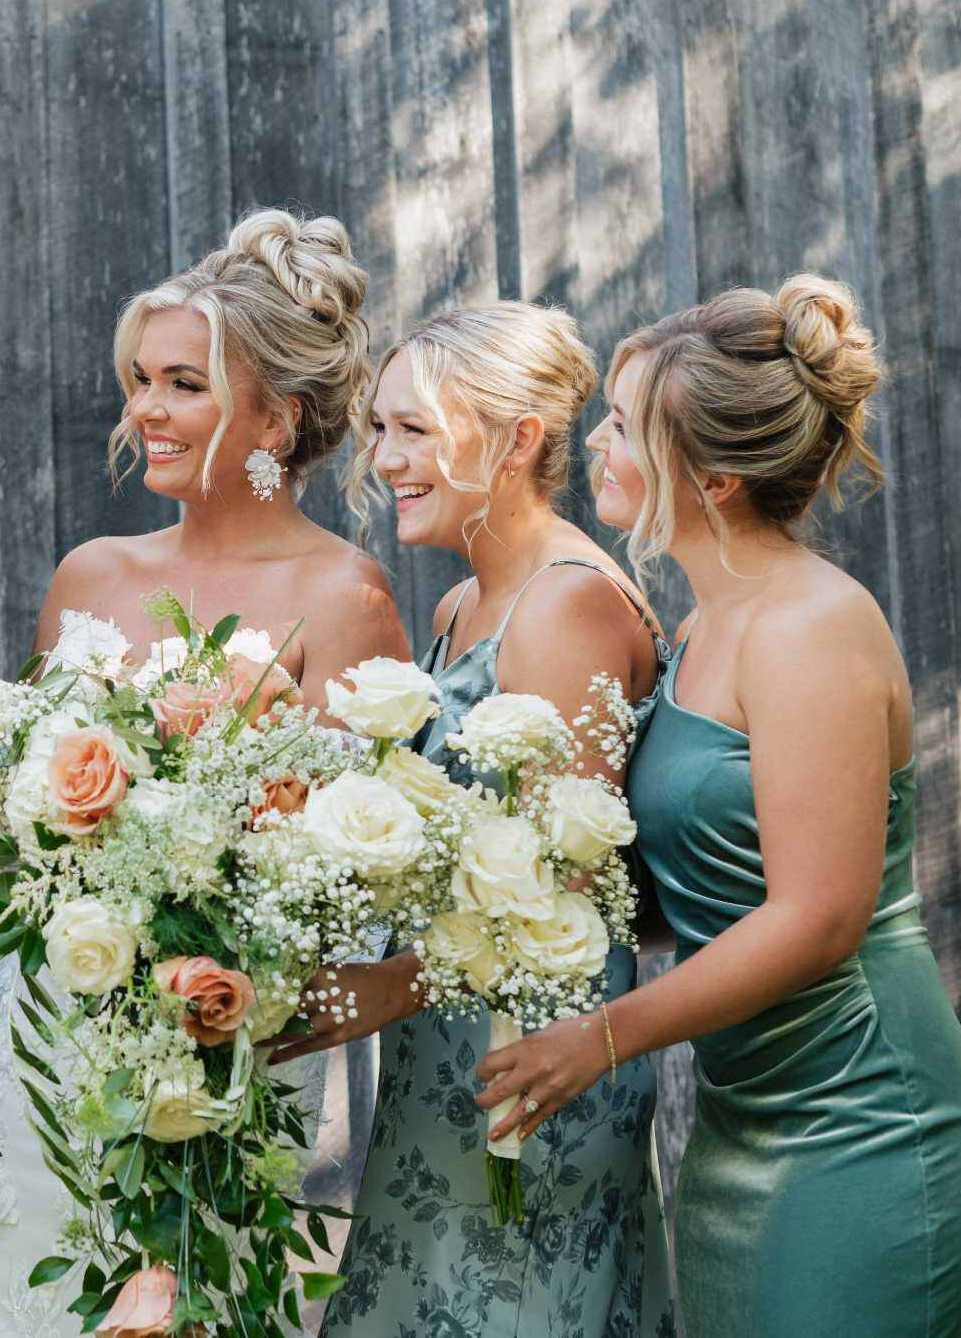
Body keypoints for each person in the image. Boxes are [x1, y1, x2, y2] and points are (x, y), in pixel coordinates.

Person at [479, 275, 961, 1336]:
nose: (597, 446)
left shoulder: (811, 625)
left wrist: (603, 1033)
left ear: (715, 473)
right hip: (738, 1125)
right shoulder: (697, 628)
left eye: (627, 428)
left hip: (868, 1123)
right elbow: (693, 877)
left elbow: (817, 916)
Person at [0, 209, 409, 1335]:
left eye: (182, 384)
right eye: (138, 381)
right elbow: (22, 820)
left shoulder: (345, 596)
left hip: (237, 1040)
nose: (144, 411)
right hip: (57, 1028)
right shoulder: (90, 576)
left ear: (276, 413)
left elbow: (360, 863)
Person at [278, 303, 677, 1337]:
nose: (385, 456)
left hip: (530, 1070)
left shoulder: (567, 605)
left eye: (415, 428)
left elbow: (562, 889)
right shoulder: (464, 607)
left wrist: (385, 987)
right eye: (380, 428)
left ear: (517, 440)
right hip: (445, 1061)